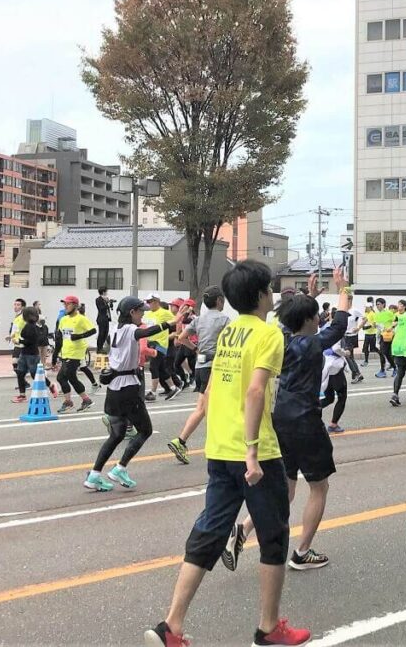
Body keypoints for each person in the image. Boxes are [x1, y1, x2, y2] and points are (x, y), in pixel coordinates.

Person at [146, 260, 310, 647]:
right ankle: (269, 629)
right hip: (256, 452)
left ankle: (172, 625)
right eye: (269, 289)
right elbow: (255, 391)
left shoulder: (230, 332)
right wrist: (252, 452)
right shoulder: (268, 335)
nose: (273, 295)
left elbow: (214, 389)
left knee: (210, 530)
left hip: (220, 448)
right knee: (274, 537)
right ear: (259, 295)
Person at [226, 268, 351, 573]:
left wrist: (310, 295)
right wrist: (342, 287)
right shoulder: (311, 344)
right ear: (310, 320)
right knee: (318, 487)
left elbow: (298, 318)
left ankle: (242, 530)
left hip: (279, 416)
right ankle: (302, 551)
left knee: (286, 486)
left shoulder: (281, 338)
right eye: (314, 317)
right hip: (306, 420)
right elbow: (341, 322)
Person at [84, 297, 178, 491]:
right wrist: (172, 323)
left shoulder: (115, 329)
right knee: (145, 430)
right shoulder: (129, 330)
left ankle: (94, 475)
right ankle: (120, 468)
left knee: (116, 435)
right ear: (131, 312)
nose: (142, 314)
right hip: (128, 388)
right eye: (140, 311)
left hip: (114, 388)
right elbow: (146, 331)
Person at [167, 286, 231, 465]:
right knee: (213, 408)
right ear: (219, 300)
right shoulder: (224, 320)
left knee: (203, 407)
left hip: (201, 366)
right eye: (223, 299)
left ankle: (181, 441)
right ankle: (214, 445)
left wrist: (196, 349)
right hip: (216, 367)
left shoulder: (200, 320)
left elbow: (180, 337)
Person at [55, 296, 96, 414]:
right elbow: (60, 337)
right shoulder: (63, 319)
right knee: (65, 377)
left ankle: (69, 402)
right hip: (66, 352)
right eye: (65, 304)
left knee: (65, 376)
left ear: (75, 305)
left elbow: (93, 330)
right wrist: (55, 354)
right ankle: (85, 400)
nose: (65, 306)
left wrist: (79, 336)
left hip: (76, 352)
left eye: (68, 304)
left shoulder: (81, 319)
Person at [143, 294, 177, 401]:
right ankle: (173, 388)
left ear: (156, 301)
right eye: (147, 302)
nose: (148, 304)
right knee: (161, 368)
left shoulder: (165, 313)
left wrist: (176, 333)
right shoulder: (147, 314)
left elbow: (177, 321)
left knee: (153, 366)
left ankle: (152, 392)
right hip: (150, 343)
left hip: (160, 344)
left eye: (150, 301)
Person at [13, 307, 50, 403]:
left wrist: (19, 341)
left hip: (32, 354)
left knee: (35, 375)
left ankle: (50, 385)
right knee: (20, 373)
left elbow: (31, 341)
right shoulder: (29, 325)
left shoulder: (32, 327)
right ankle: (22, 395)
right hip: (25, 352)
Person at [372, 298, 397, 378]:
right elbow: (376, 325)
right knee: (384, 353)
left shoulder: (389, 313)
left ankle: (387, 369)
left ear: (383, 304)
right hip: (381, 336)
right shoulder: (376, 314)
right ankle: (390, 369)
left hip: (389, 335)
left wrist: (391, 327)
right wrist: (374, 325)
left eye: (379, 304)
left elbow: (396, 321)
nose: (377, 306)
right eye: (377, 304)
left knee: (384, 353)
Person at [341, 305, 365, 384]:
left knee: (347, 356)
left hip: (352, 336)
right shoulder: (343, 309)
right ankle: (357, 374)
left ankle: (356, 374)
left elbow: (365, 319)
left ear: (349, 300)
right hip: (345, 336)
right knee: (350, 356)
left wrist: (358, 328)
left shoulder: (355, 310)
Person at [360, 298, 379, 366]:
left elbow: (374, 324)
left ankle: (382, 354)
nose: (366, 308)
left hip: (372, 333)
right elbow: (364, 320)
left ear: (370, 307)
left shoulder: (373, 314)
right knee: (365, 348)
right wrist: (363, 325)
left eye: (367, 307)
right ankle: (366, 361)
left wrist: (366, 327)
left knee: (373, 348)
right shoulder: (366, 313)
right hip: (367, 333)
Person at [96, 286, 113, 355]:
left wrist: (110, 303)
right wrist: (107, 304)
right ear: (103, 292)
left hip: (106, 318)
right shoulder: (98, 299)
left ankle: (101, 347)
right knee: (101, 333)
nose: (107, 293)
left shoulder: (106, 299)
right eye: (106, 291)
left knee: (106, 333)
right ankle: (99, 348)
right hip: (101, 318)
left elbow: (109, 308)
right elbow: (101, 308)